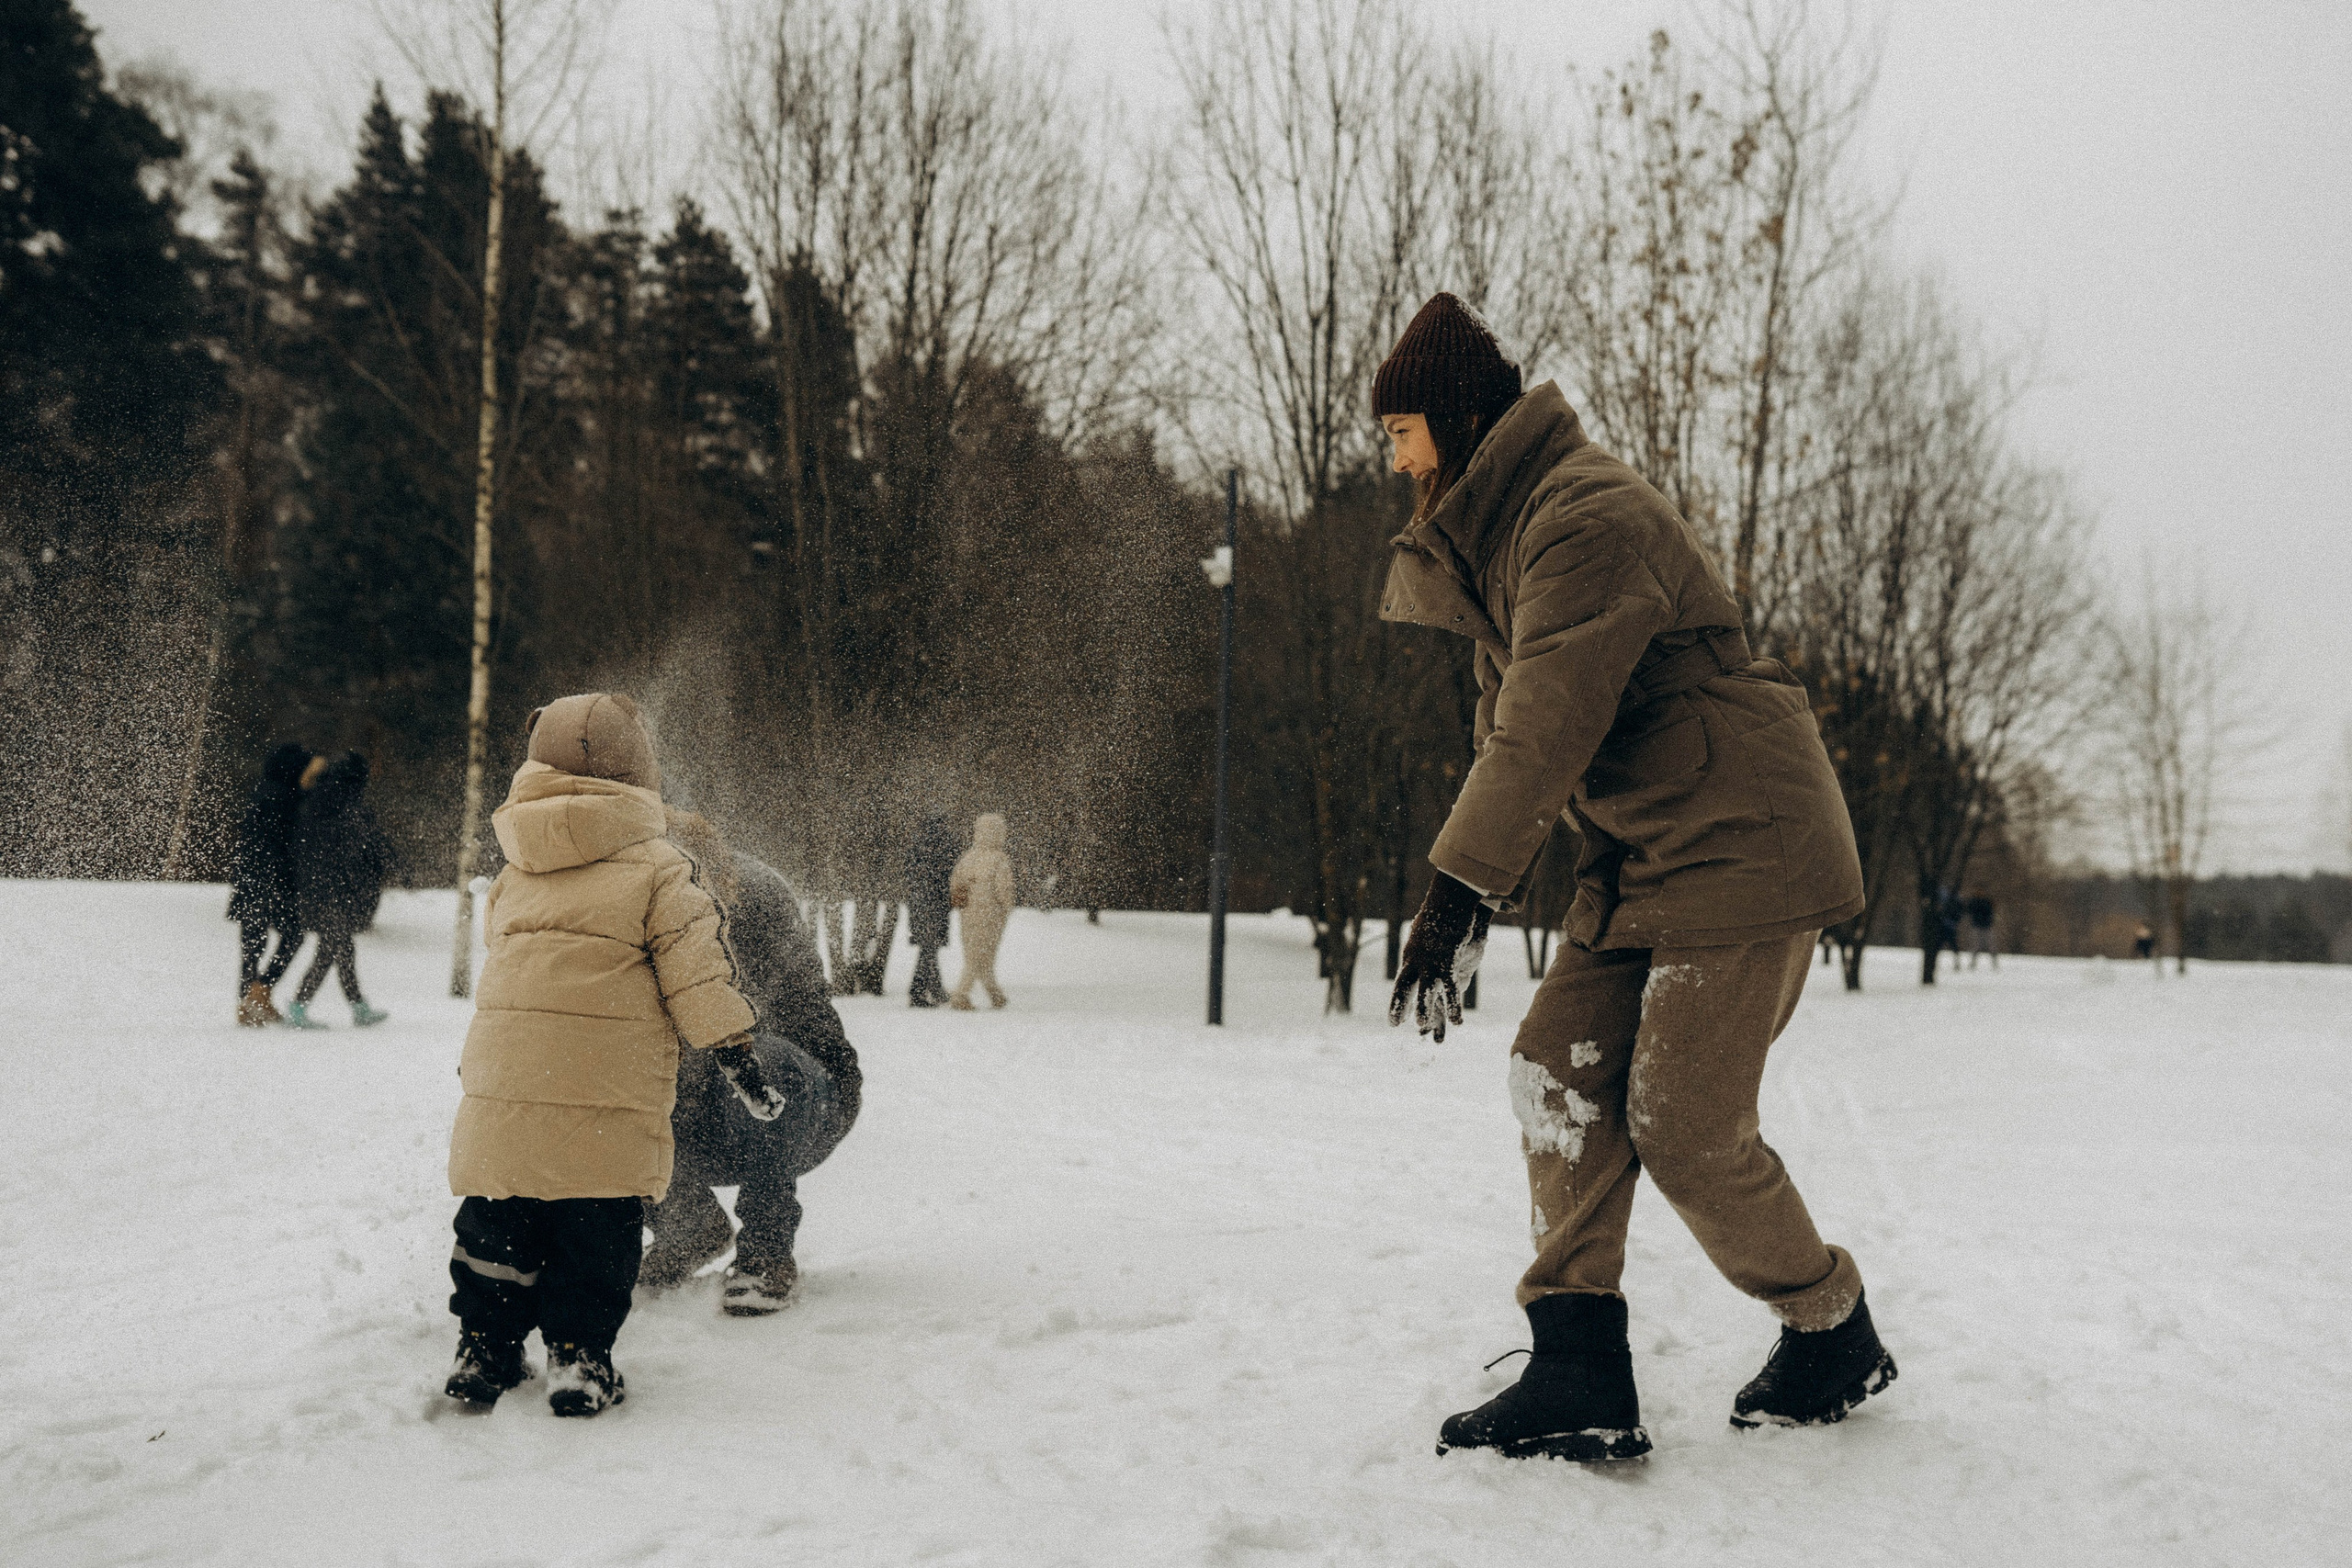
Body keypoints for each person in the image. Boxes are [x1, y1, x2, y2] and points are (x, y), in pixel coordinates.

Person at [1375, 293, 1894, 1462]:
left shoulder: (1582, 514)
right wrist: (1471, 887)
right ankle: (1576, 1368)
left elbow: (1545, 723)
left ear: (1457, 421)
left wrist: (1459, 887)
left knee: (1686, 1125)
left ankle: (1830, 1328)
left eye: (1400, 428)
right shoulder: (1499, 538)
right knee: (1554, 1070)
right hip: (1642, 848)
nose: (1392, 455)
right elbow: (1503, 733)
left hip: (1741, 833)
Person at [441, 693, 787, 1417]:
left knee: (498, 1217)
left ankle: (485, 1344)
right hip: (607, 1095)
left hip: (506, 1088)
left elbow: (507, 966)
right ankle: (579, 1356)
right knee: (595, 1227)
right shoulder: (661, 868)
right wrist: (735, 1051)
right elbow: (698, 976)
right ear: (640, 772)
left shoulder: (515, 869)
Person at [643, 814, 862, 1315]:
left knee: (759, 1062)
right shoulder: (631, 909)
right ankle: (690, 1228)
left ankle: (767, 1250)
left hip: (803, 1099)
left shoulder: (755, 898)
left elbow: (745, 1015)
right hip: (696, 1109)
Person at [282, 751, 390, 1030]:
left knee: (341, 948)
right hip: (334, 889)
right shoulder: (346, 805)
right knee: (331, 949)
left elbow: (305, 847)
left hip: (315, 887)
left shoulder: (318, 799)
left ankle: (358, 1007)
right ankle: (299, 1007)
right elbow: (358, 848)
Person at [226, 742, 311, 1026]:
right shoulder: (287, 797)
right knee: (293, 934)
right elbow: (287, 844)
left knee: (251, 943)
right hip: (273, 880)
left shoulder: (262, 791)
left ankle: (248, 1002)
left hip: (250, 877)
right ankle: (260, 991)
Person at [948, 812, 1015, 1010]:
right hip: (991, 914)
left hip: (968, 913)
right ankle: (961, 995)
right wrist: (1006, 907)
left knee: (976, 954)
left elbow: (956, 883)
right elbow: (1004, 889)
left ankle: (996, 995)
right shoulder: (999, 859)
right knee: (981, 956)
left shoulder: (969, 857)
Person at [903, 811, 959, 1008]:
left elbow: (908, 873)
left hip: (919, 903)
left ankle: (936, 989)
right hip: (935, 903)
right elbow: (951, 873)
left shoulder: (917, 844)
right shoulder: (946, 844)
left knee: (928, 947)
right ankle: (917, 992)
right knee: (929, 949)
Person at [1964, 895, 1997, 969]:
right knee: (1976, 946)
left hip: (1986, 926)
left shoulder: (1987, 901)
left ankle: (1994, 963)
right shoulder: (1974, 902)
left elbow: (1992, 912)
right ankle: (1972, 963)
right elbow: (1969, 910)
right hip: (1977, 926)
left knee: (1991, 946)